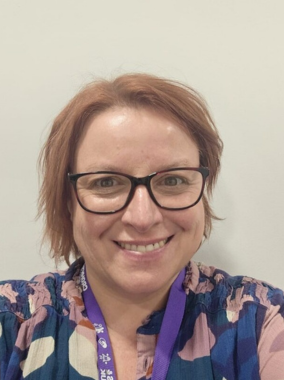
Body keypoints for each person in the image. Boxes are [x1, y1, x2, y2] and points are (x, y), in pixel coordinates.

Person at [0, 73, 283, 380]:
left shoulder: (261, 321)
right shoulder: (13, 322)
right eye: (106, 182)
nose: (143, 217)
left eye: (173, 180)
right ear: (68, 202)